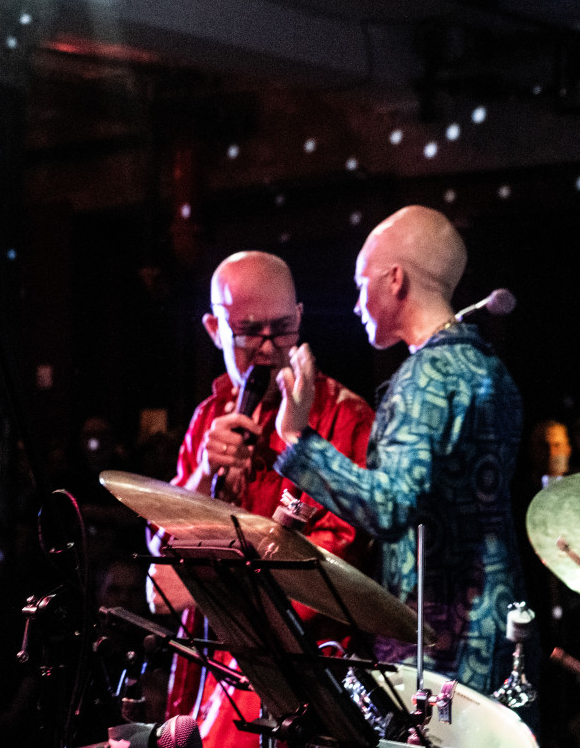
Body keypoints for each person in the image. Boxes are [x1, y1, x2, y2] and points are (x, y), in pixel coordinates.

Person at [246, 205, 529, 699]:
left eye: (362, 284)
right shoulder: (489, 369)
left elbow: (390, 506)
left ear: (395, 279)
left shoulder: (425, 378)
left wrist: (297, 436)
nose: (356, 304)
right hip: (498, 620)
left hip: (442, 639)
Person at [148, 251, 375, 748]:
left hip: (298, 671)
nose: (270, 349)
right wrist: (207, 469)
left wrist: (219, 587)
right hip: (207, 664)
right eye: (250, 332)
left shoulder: (345, 417)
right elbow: (162, 559)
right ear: (214, 329)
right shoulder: (210, 413)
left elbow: (337, 556)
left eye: (282, 329)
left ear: (299, 318)